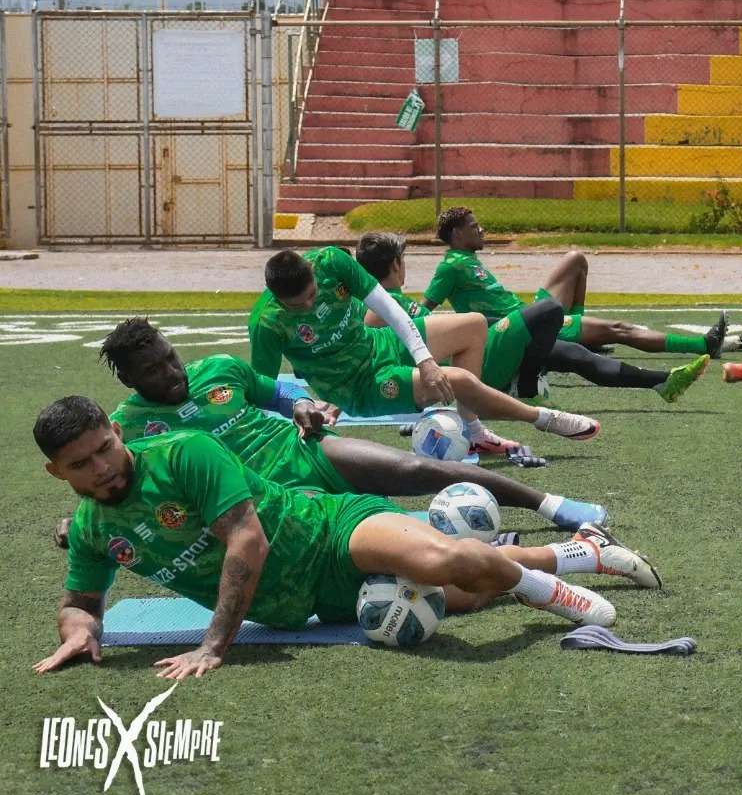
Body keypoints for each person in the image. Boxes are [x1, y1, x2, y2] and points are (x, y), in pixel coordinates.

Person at [32, 398, 663, 678]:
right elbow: (80, 603)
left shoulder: (185, 452)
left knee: (444, 558)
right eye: (81, 464)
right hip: (299, 607)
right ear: (55, 473)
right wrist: (81, 632)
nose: (103, 467)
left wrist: (212, 646)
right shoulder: (91, 531)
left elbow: (246, 543)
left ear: (117, 432)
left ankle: (551, 590)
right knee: (467, 591)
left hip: (330, 531)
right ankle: (582, 552)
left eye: (105, 448)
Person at [98, 318, 606, 529]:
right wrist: (77, 525)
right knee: (377, 523)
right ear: (127, 380)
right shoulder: (129, 426)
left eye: (171, 358)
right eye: (152, 371)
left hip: (305, 449)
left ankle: (550, 505)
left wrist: (303, 406)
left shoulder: (219, 369)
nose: (171, 373)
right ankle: (499, 545)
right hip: (261, 498)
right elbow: (116, 482)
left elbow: (283, 391)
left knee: (418, 470)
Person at [249, 247, 601, 449]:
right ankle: (544, 419)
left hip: (379, 343)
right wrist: (302, 408)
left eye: (311, 295)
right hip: (358, 386)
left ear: (311, 271)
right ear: (278, 299)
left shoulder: (330, 262)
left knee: (474, 324)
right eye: (298, 305)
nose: (309, 306)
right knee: (458, 380)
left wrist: (425, 360)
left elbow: (388, 308)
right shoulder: (267, 322)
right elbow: (260, 388)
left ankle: (471, 432)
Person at [358, 232, 708, 404]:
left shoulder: (394, 301)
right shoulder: (379, 307)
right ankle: (526, 385)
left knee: (574, 355)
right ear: (395, 266)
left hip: (484, 347)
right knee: (549, 310)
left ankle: (661, 382)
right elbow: (371, 345)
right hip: (483, 362)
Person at [425, 207, 727, 359]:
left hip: (530, 313)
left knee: (575, 259)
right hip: (525, 328)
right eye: (473, 226)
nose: (482, 230)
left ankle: (583, 334)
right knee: (619, 329)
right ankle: (704, 344)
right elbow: (425, 311)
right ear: (456, 235)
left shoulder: (466, 259)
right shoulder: (449, 267)